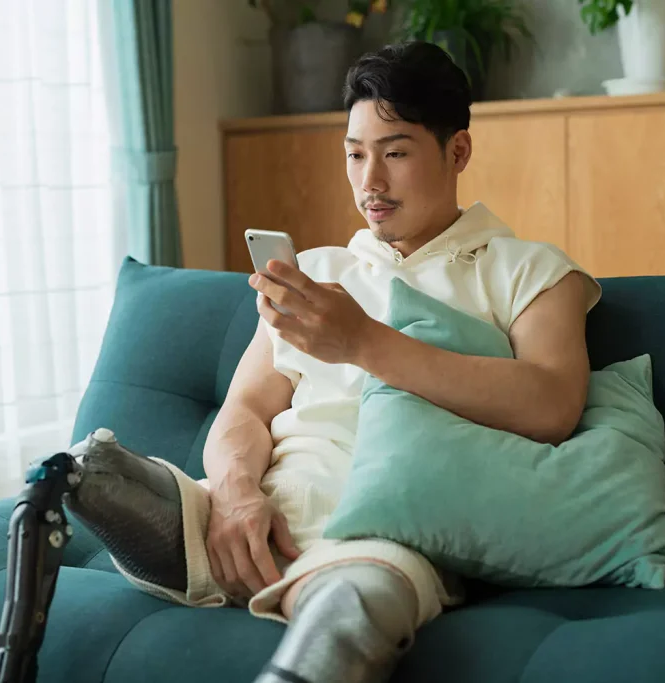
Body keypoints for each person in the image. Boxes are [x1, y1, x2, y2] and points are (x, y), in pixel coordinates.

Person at [65, 41, 603, 683]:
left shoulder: (530, 272)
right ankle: (219, 547)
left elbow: (552, 405)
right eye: (354, 155)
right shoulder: (317, 272)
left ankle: (281, 592)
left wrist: (362, 342)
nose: (370, 183)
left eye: (396, 153)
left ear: (457, 151)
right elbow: (244, 409)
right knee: (84, 469)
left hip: (395, 532)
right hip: (258, 511)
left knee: (359, 595)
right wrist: (237, 494)